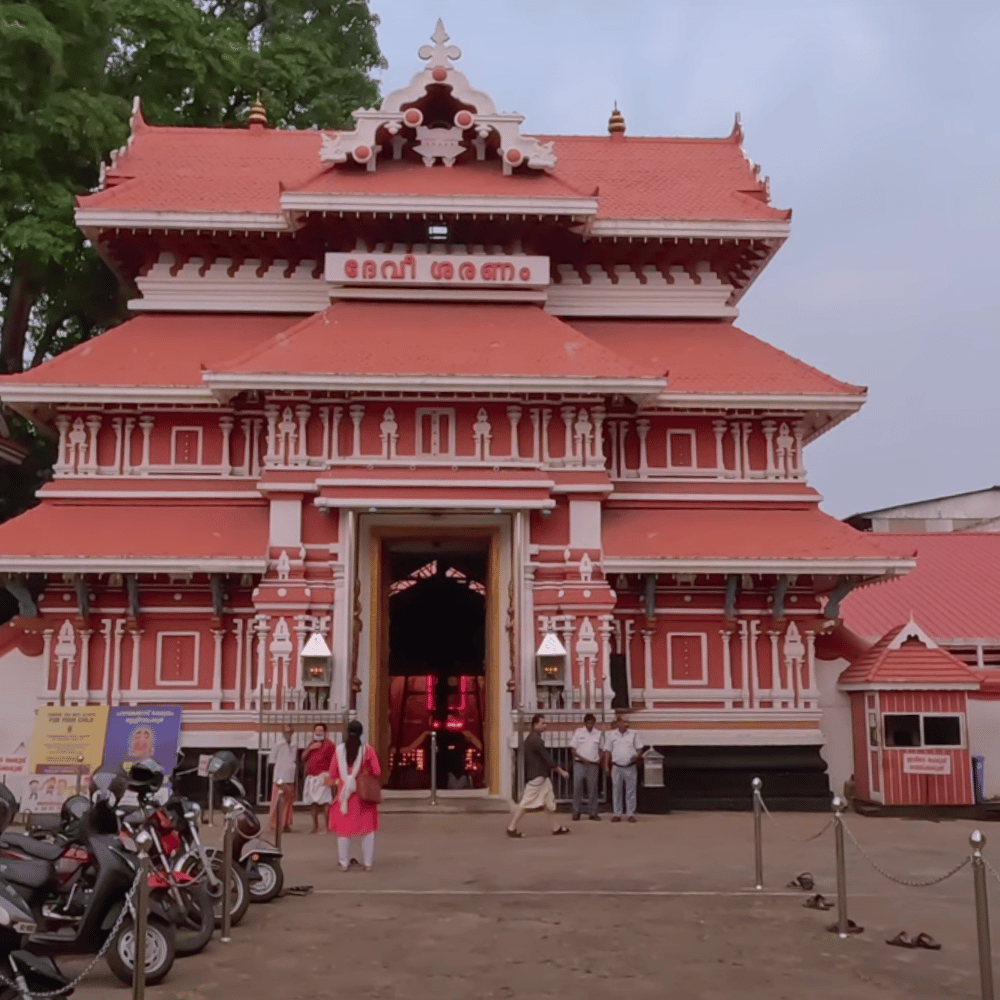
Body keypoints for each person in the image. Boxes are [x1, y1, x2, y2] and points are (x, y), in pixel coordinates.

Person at [326, 720, 381, 871]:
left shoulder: (339, 751)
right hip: (363, 797)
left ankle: (344, 863)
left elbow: (332, 774)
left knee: (343, 832)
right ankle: (368, 863)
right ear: (361, 733)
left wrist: (343, 780)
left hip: (345, 798)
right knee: (367, 831)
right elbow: (377, 771)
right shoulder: (367, 750)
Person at [507, 714, 570, 838]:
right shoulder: (536, 740)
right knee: (526, 803)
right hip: (537, 777)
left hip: (541, 777)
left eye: (545, 723)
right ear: (535, 725)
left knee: (547, 802)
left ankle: (556, 827)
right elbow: (548, 759)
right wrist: (561, 771)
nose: (545, 725)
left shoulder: (532, 738)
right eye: (542, 723)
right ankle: (511, 827)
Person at [603, 713, 643, 823]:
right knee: (616, 790)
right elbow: (607, 751)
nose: (627, 724)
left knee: (631, 791)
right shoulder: (611, 735)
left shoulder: (634, 734)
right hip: (616, 766)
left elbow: (639, 748)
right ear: (618, 723)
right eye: (624, 722)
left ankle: (630, 813)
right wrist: (606, 765)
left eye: (628, 722)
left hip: (630, 766)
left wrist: (637, 755)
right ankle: (617, 813)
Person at [301, 723, 335, 833]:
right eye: (316, 730)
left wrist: (331, 776)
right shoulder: (312, 744)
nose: (318, 732)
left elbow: (334, 761)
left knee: (326, 802)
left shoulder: (329, 745)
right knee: (313, 803)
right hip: (311, 777)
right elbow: (303, 757)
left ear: (325, 732)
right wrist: (310, 749)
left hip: (323, 776)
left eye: (321, 730)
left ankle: (327, 827)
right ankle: (315, 826)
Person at [570, 713, 603, 821]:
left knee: (593, 789)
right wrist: (583, 759)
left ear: (594, 723)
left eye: (591, 723)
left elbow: (601, 748)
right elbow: (573, 750)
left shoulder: (598, 734)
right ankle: (576, 812)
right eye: (588, 723)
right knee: (577, 788)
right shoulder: (579, 733)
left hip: (593, 765)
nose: (590, 725)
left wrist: (599, 759)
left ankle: (593, 813)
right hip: (580, 763)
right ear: (585, 723)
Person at [268, 725, 297, 834]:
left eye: (290, 732)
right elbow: (272, 761)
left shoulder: (294, 745)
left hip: (290, 777)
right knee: (277, 802)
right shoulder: (278, 745)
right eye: (286, 732)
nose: (288, 734)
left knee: (288, 803)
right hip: (280, 778)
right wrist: (277, 778)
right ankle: (275, 824)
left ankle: (285, 824)